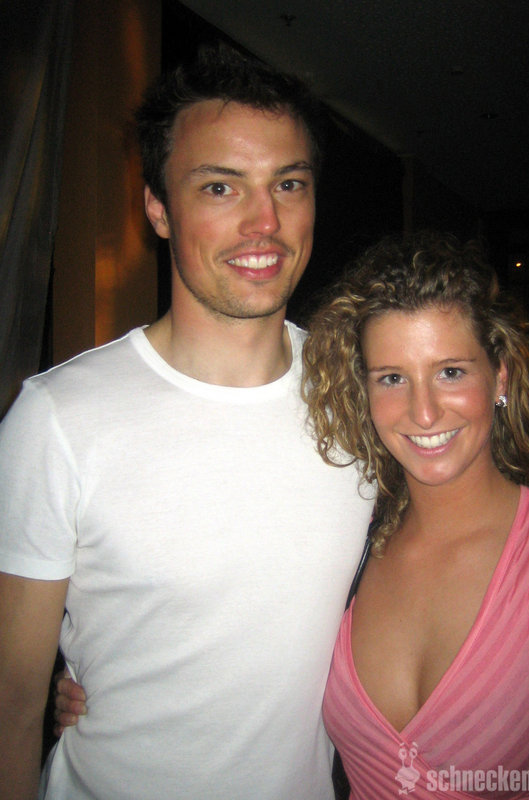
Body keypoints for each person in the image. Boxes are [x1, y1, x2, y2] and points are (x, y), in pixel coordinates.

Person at [0, 43, 374, 800]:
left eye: (288, 184)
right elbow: (11, 702)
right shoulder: (58, 418)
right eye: (220, 187)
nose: (265, 222)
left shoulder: (363, 395)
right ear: (158, 209)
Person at [301, 233, 529, 799]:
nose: (423, 412)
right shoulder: (352, 546)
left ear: (500, 377)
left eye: (451, 372)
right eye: (392, 378)